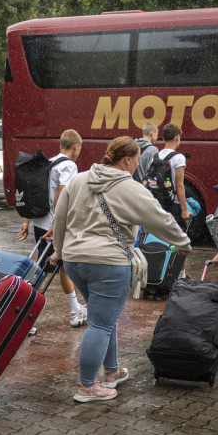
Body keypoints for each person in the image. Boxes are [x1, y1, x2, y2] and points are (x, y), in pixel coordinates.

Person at [51, 136, 191, 402]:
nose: (138, 165)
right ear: (127, 159)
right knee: (101, 324)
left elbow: (60, 217)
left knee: (103, 318)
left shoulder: (80, 179)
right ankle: (87, 387)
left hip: (74, 260)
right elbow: (159, 217)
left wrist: (59, 252)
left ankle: (112, 371)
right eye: (137, 159)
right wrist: (183, 242)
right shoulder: (130, 187)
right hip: (108, 263)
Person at [16, 129, 87, 326]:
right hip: (53, 226)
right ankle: (22, 318)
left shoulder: (48, 163)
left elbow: (36, 193)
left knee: (61, 267)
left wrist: (27, 221)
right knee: (43, 272)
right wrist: (57, 224)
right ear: (75, 147)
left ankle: (75, 310)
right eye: (79, 148)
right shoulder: (69, 166)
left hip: (41, 222)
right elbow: (62, 195)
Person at [157, 124, 190, 226]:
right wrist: (184, 209)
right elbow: (179, 185)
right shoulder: (179, 157)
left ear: (163, 138)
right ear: (177, 138)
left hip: (158, 200)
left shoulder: (156, 155)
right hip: (172, 203)